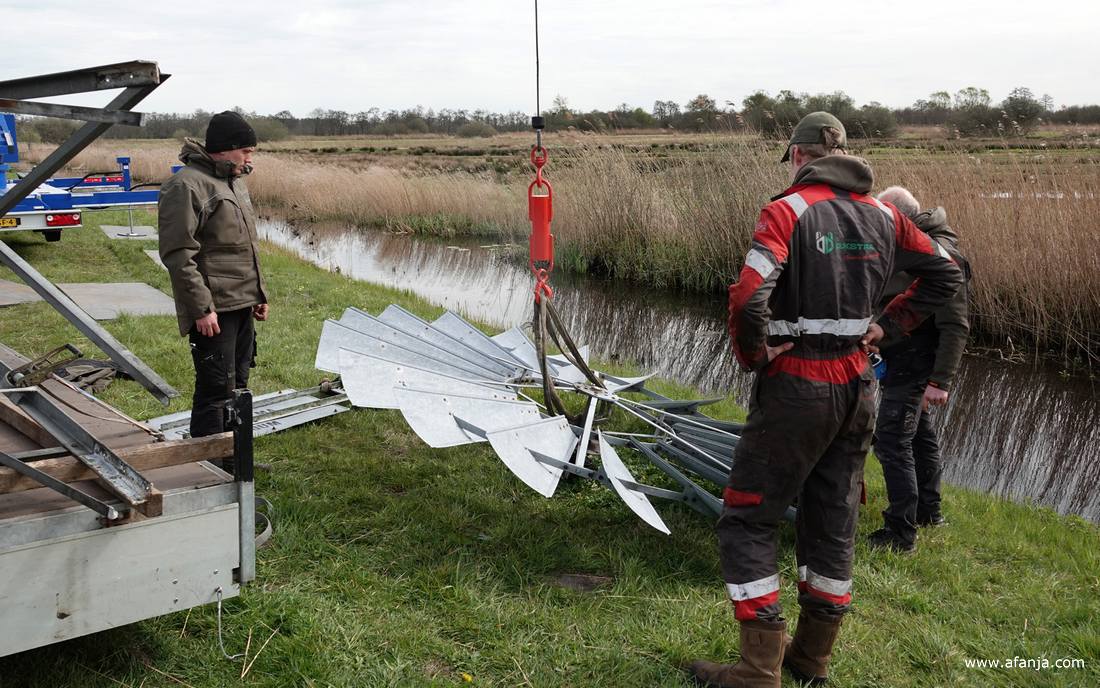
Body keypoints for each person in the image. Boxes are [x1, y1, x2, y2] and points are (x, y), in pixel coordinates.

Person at [687, 112, 962, 688]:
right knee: (833, 520)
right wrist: (888, 327)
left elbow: (746, 297)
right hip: (858, 386)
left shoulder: (787, 210)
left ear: (797, 156)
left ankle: (758, 670)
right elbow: (945, 274)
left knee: (748, 518)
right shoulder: (887, 215)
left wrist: (755, 355)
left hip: (798, 386)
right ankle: (811, 662)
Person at [867, 186, 970, 554]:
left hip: (917, 362)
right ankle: (929, 512)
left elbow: (955, 325)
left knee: (892, 442)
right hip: (899, 358)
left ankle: (900, 533)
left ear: (899, 216)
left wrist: (940, 381)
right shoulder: (911, 241)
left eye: (881, 218)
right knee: (920, 436)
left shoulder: (942, 254)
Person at [158, 111, 268, 440]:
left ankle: (234, 459)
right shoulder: (186, 185)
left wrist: (258, 296)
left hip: (240, 303)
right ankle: (207, 465)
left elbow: (241, 247)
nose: (250, 158)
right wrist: (201, 308)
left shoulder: (232, 182)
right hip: (213, 310)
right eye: (245, 151)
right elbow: (179, 254)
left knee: (239, 385)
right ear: (224, 148)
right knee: (214, 391)